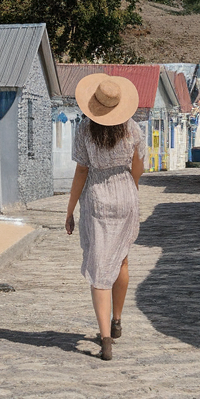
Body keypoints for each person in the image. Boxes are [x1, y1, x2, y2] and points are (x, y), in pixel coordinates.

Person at [65, 73, 146, 361]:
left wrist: (70, 208)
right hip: (125, 194)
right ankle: (118, 318)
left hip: (98, 196)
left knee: (100, 265)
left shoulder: (85, 130)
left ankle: (105, 338)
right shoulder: (133, 129)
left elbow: (82, 171)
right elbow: (138, 169)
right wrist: (130, 191)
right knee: (121, 258)